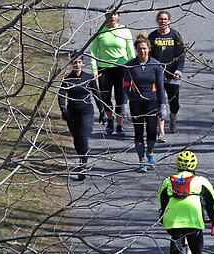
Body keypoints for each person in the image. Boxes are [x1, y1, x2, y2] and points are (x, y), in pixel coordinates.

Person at [122, 33, 166, 172]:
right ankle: (142, 160)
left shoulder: (156, 65)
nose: (142, 51)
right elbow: (125, 86)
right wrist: (124, 105)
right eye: (140, 49)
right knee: (138, 132)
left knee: (152, 132)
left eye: (145, 48)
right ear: (136, 49)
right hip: (136, 102)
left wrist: (163, 105)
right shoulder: (130, 66)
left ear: (149, 49)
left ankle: (150, 153)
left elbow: (160, 86)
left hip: (151, 101)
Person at [58, 51, 105, 181]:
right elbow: (61, 95)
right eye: (74, 63)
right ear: (71, 64)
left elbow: (97, 95)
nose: (77, 65)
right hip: (72, 112)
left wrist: (102, 111)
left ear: (83, 63)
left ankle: (82, 165)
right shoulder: (67, 80)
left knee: (84, 136)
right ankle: (82, 157)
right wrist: (63, 110)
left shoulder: (88, 77)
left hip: (86, 111)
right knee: (77, 139)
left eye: (79, 62)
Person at [90, 5, 135, 136]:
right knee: (105, 96)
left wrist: (133, 70)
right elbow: (93, 51)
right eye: (109, 14)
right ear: (105, 16)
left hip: (122, 68)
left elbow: (131, 53)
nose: (112, 17)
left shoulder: (125, 31)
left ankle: (119, 125)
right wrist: (94, 69)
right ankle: (110, 119)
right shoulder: (100, 31)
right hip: (104, 68)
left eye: (114, 14)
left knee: (121, 97)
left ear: (118, 16)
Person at [148, 10, 186, 142]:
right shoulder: (152, 36)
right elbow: (147, 56)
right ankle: (161, 132)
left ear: (169, 21)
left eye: (165, 19)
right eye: (160, 19)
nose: (163, 21)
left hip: (172, 75)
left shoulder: (175, 35)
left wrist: (178, 71)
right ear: (157, 21)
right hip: (157, 76)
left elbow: (181, 55)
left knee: (174, 104)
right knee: (160, 103)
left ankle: (173, 119)